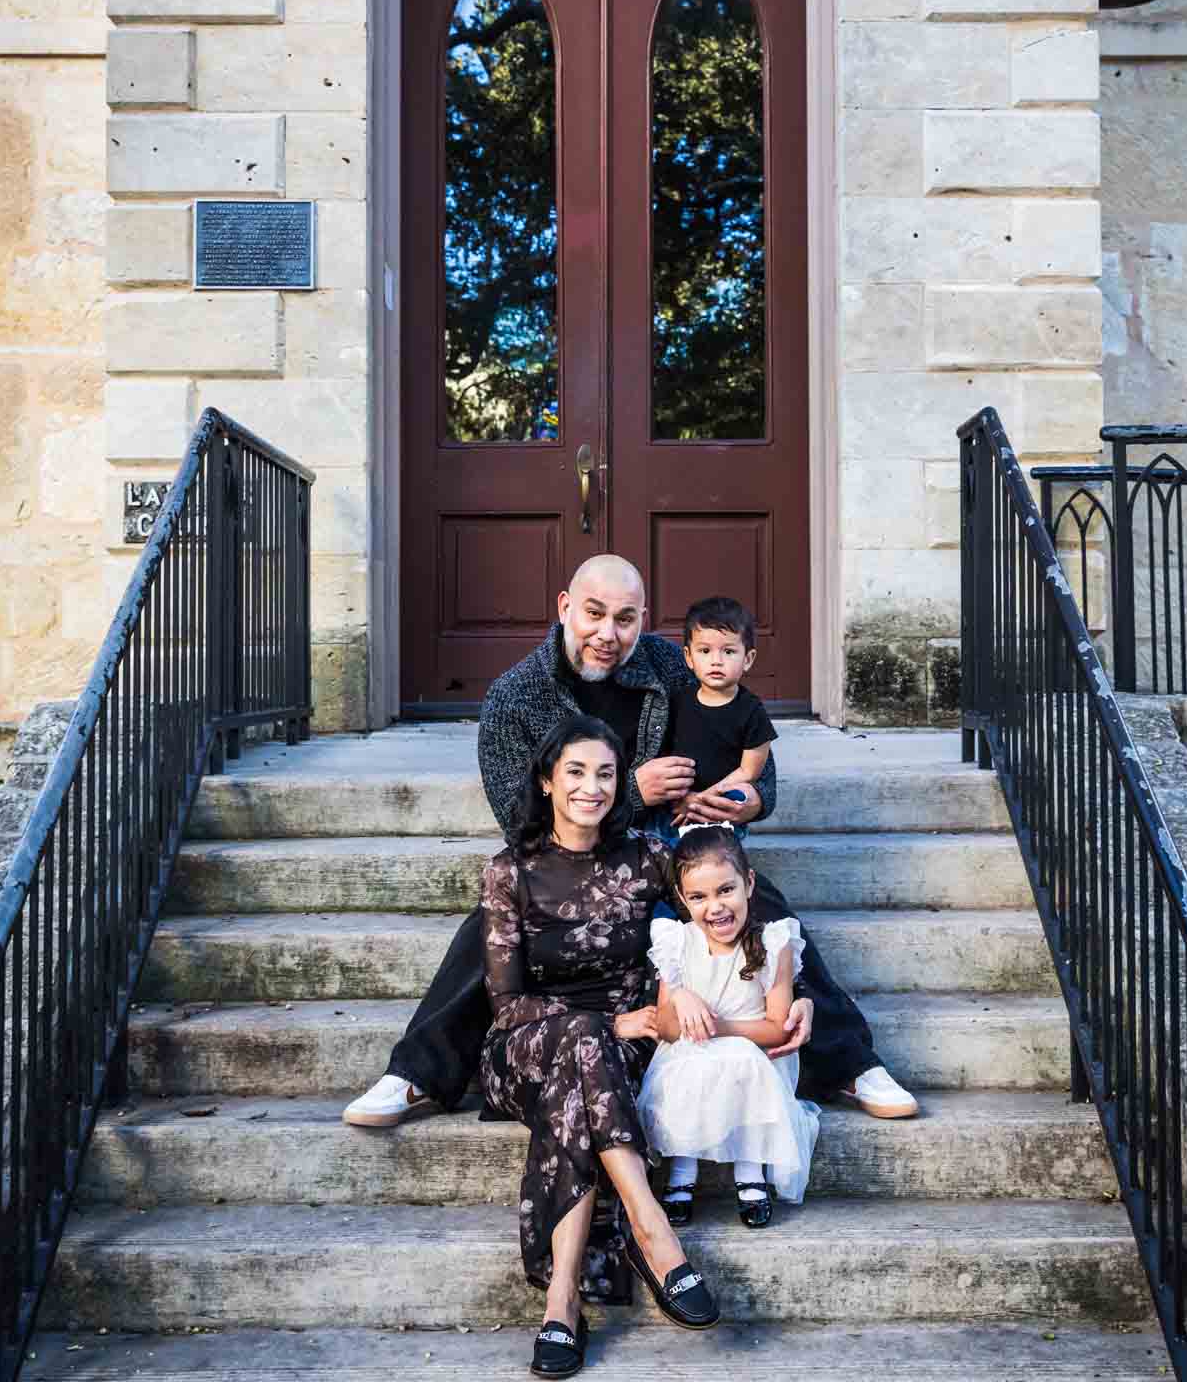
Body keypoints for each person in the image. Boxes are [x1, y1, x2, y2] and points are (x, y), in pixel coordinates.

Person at [343, 554, 917, 1128]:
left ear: (643, 619)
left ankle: (851, 1063)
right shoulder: (515, 697)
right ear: (565, 608)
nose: (607, 634)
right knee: (489, 924)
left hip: (669, 858)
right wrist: (631, 794)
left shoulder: (672, 665)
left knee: (755, 904)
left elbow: (750, 748)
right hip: (567, 869)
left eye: (624, 619)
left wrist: (746, 798)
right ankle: (416, 1074)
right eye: (593, 614)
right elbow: (520, 825)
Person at [480, 715, 720, 1377]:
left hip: (625, 1045)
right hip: (524, 1048)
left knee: (582, 1072)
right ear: (546, 781)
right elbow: (504, 1003)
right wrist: (610, 1024)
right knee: (583, 1038)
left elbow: (720, 910)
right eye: (576, 772)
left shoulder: (647, 856)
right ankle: (652, 1230)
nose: (592, 787)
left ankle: (560, 1305)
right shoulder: (510, 870)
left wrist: (789, 980)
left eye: (606, 773)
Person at [639, 826, 821, 1231]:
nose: (715, 906)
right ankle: (682, 1175)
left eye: (726, 890)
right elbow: (668, 1030)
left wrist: (719, 1028)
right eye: (699, 897)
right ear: (684, 900)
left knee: (739, 1061)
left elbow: (777, 1030)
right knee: (689, 1065)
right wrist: (680, 996)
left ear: (749, 883)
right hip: (688, 1054)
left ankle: (750, 1173)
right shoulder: (676, 943)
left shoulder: (774, 943)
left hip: (752, 1056)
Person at [648, 596, 776, 846]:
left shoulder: (751, 711)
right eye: (705, 651)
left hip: (720, 811)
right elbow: (661, 751)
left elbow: (750, 771)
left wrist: (703, 800)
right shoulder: (677, 701)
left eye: (728, 651)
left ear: (748, 659)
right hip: (676, 809)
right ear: (688, 657)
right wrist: (681, 798)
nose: (716, 660)